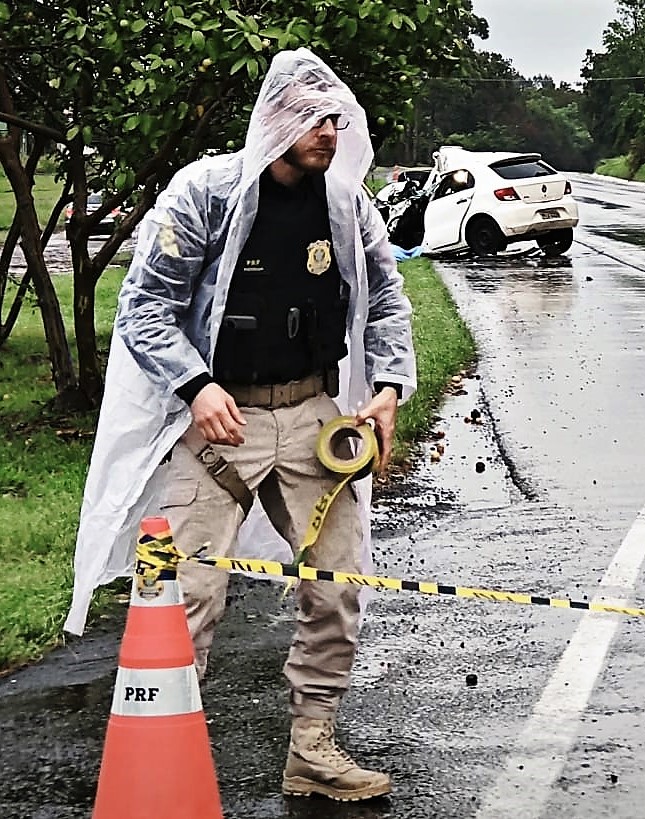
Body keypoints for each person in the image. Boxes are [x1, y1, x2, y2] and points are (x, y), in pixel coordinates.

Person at [66, 48, 416, 802]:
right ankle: (158, 754)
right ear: (277, 118)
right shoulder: (206, 193)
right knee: (181, 591)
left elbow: (388, 300)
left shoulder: (348, 206)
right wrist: (195, 386)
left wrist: (387, 387)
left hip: (314, 414)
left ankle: (314, 748)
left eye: (335, 119)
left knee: (339, 583)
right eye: (315, 117)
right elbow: (145, 307)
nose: (329, 131)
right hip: (220, 422)